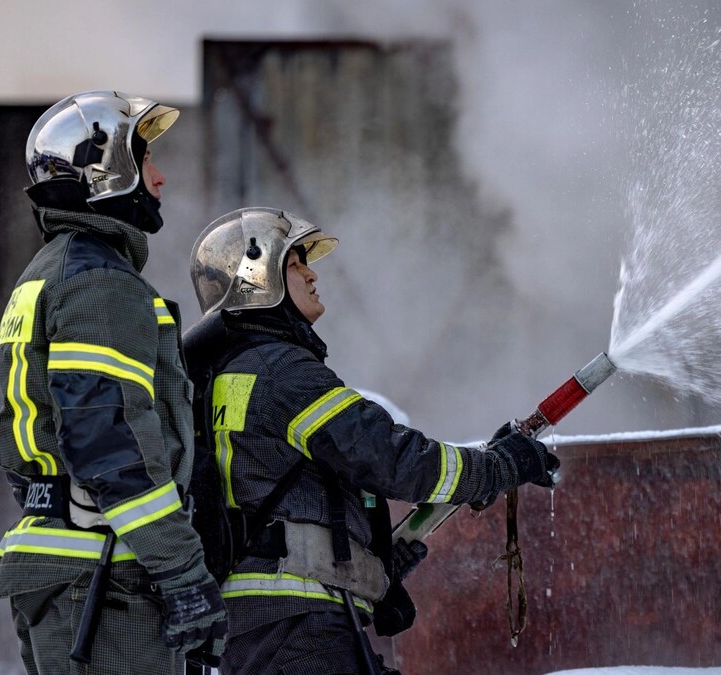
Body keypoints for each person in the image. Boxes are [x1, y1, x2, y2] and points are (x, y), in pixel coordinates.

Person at [184, 207, 559, 675]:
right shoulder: (280, 370)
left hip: (265, 627)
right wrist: (499, 468)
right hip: (299, 629)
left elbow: (285, 498)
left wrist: (372, 565)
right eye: (296, 262)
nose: (311, 272)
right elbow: (390, 459)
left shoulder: (229, 376)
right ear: (256, 275)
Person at [0, 90, 226, 674]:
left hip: (61, 568)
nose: (161, 179)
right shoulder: (100, 282)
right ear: (105, 169)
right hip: (106, 578)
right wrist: (180, 568)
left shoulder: (42, 276)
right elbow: (109, 441)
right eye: (147, 161)